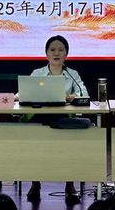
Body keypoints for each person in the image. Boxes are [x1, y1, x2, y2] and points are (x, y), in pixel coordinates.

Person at [25, 35, 89, 205]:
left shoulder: (72, 74)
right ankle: (35, 183)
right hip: (40, 117)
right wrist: (16, 97)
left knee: (70, 148)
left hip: (63, 118)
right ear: (46, 53)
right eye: (52, 50)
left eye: (61, 50)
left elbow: (84, 93)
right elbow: (25, 92)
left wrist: (73, 96)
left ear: (66, 54)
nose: (56, 53)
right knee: (32, 145)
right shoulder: (38, 73)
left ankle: (70, 184)